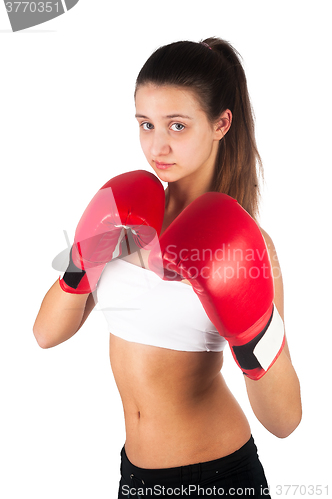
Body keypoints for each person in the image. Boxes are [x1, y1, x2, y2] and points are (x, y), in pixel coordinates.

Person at [33, 37, 302, 498]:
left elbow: (285, 421)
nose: (157, 145)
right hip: (134, 478)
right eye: (146, 124)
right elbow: (46, 334)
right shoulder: (122, 212)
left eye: (177, 126)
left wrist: (252, 334)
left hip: (217, 478)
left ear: (221, 125)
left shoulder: (249, 245)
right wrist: (82, 259)